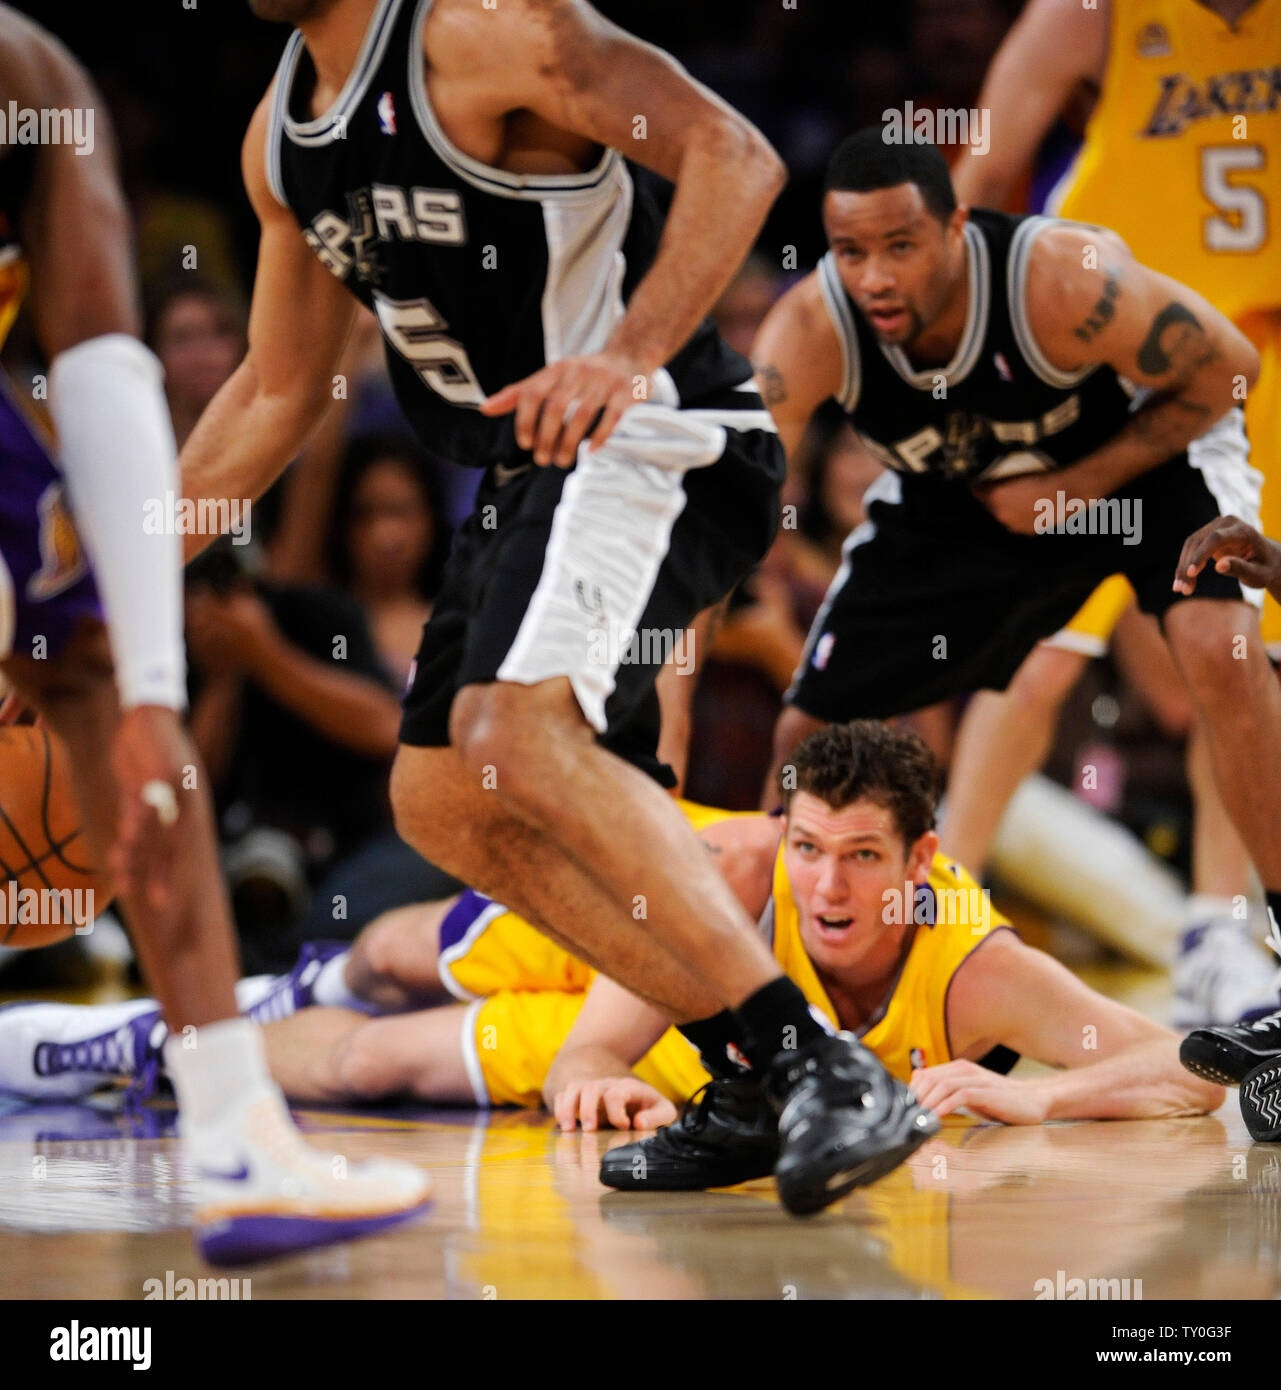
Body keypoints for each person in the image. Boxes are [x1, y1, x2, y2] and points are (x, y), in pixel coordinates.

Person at [177, 0, 935, 1215]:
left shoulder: (492, 32)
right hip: (533, 470)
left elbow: (734, 156)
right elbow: (275, 388)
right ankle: (741, 1066)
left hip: (655, 432)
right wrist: (114, 572)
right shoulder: (285, 138)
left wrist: (632, 348)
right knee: (440, 798)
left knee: (511, 733)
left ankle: (822, 1063)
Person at [0, 6, 429, 1263]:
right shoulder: (37, 72)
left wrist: (137, 680)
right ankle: (239, 1130)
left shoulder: (33, 74)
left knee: (92, 683)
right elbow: (100, 360)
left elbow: (100, 362)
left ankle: (238, 1129)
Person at [2, 725, 1223, 1159]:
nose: (831, 887)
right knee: (386, 955)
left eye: (864, 859)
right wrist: (587, 1071)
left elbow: (1185, 1063)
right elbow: (605, 1038)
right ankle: (283, 982)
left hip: (677, 1048)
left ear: (922, 867)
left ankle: (102, 1046)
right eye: (813, 849)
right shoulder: (753, 871)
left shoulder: (974, 967)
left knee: (376, 1066)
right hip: (638, 933)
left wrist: (1035, 1105)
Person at [756, 129, 1281, 1016]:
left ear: (957, 228)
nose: (875, 277)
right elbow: (732, 483)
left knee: (1220, 650)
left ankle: (1247, 927)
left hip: (1145, 462)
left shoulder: (1061, 280)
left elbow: (1229, 370)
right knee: (807, 730)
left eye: (900, 247)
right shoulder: (810, 329)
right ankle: (774, 994)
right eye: (851, 252)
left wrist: (1075, 484)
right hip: (964, 499)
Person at [938, 0, 1281, 1026]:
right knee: (1040, 646)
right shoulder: (1093, 15)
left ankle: (1222, 932)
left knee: (1243, 655)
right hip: (1113, 357)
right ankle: (939, 901)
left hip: (1260, 360)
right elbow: (986, 177)